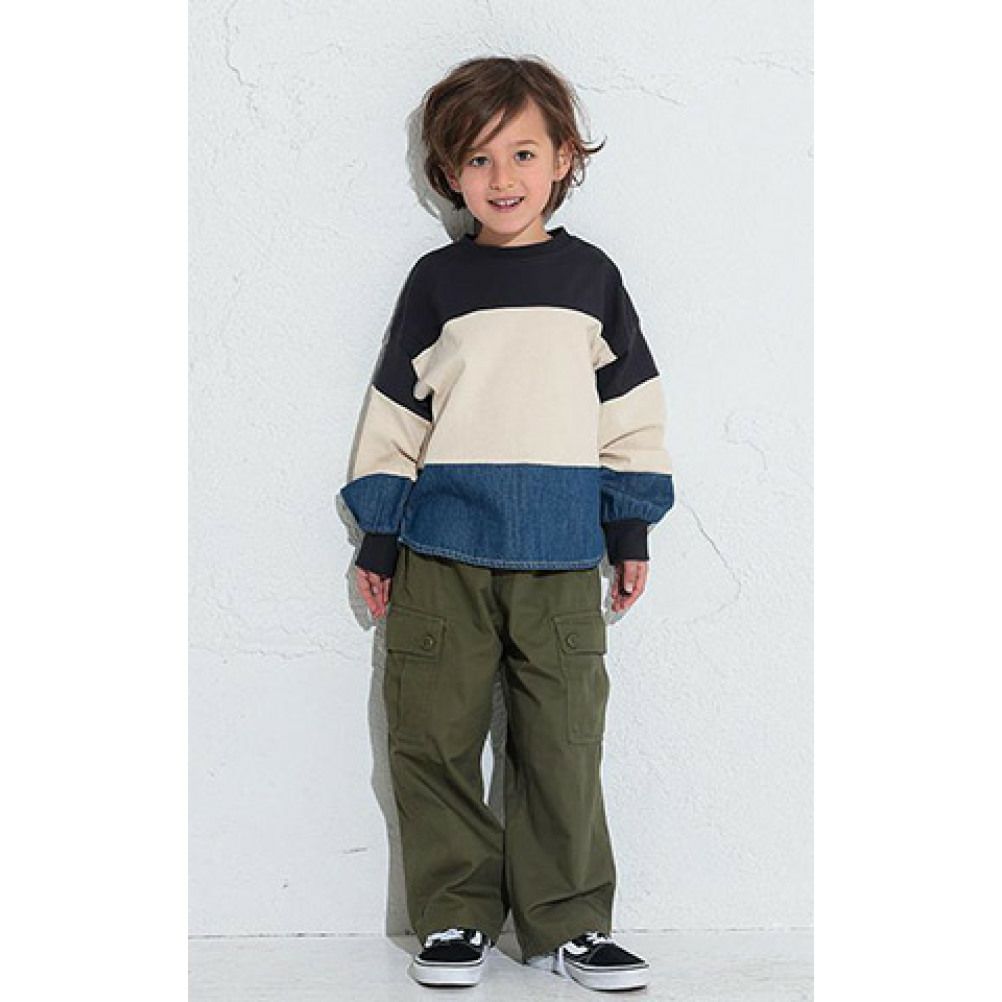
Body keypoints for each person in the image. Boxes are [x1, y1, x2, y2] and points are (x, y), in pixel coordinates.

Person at [337, 55, 675, 992]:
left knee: (562, 742)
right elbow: (396, 417)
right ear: (449, 173)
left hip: (562, 555)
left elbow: (631, 411)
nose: (502, 178)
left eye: (523, 153)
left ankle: (571, 924)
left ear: (564, 158)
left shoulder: (591, 278)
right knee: (433, 736)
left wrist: (630, 528)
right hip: (442, 551)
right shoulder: (437, 282)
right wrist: (379, 536)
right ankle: (453, 917)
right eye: (478, 159)